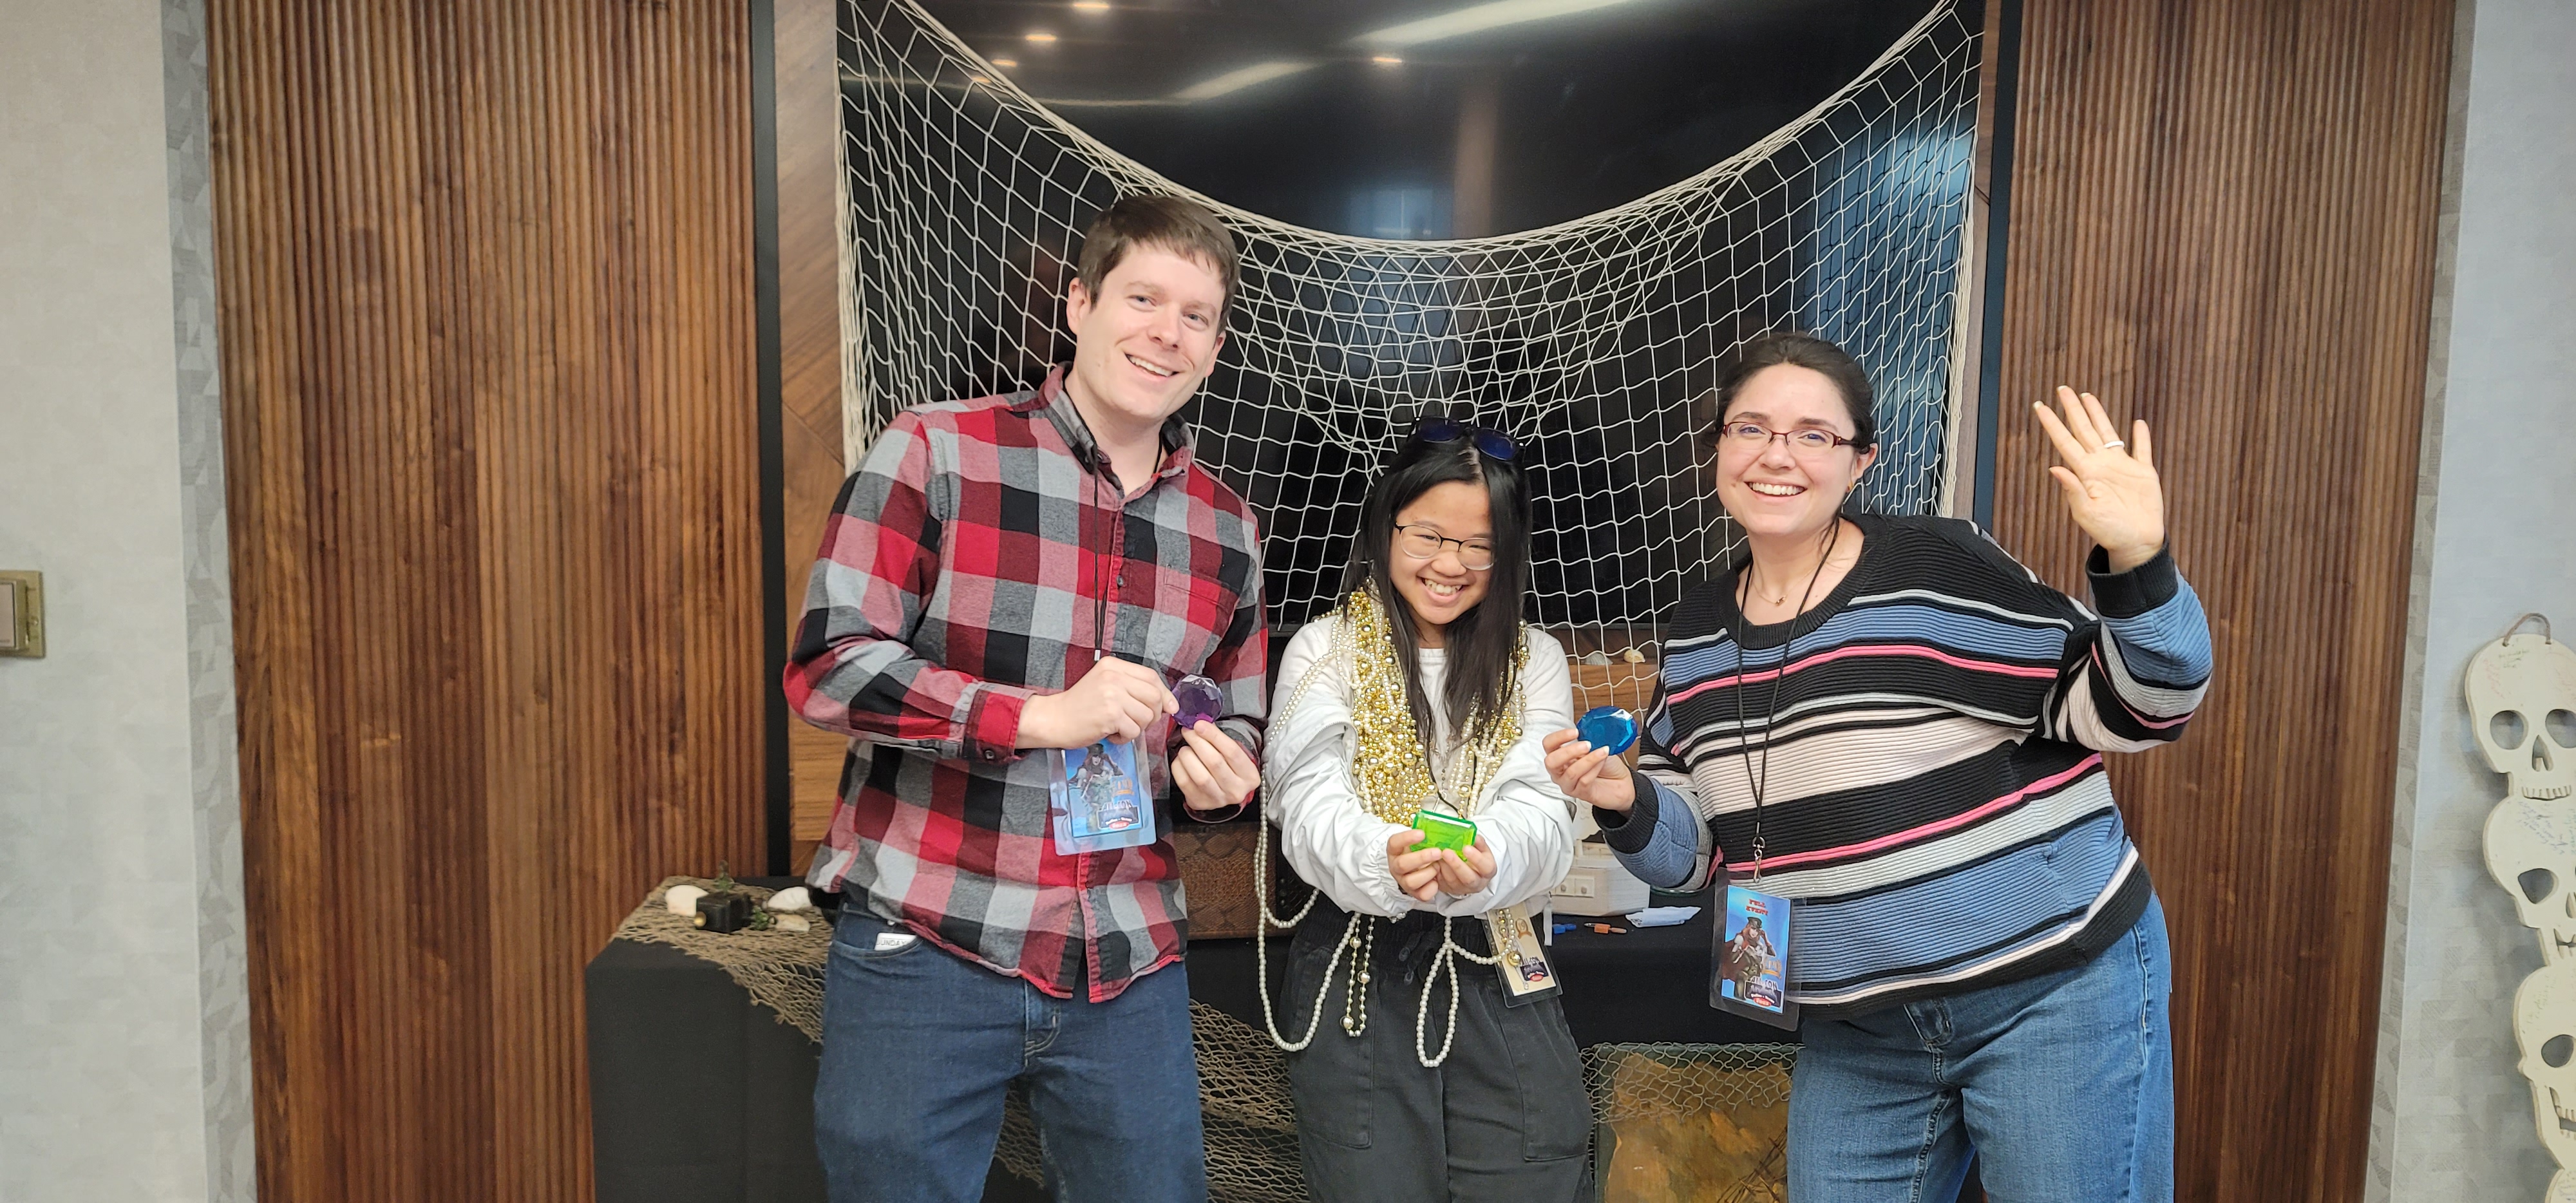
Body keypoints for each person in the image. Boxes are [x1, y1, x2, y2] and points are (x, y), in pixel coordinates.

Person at [1544, 331, 2211, 1202]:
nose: (1777, 454)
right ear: (1717, 449)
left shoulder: (1931, 568)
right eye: (1751, 428)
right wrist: (1624, 798)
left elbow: (2144, 704)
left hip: (2047, 986)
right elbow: (1695, 854)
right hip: (1858, 1027)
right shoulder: (1698, 630)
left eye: (1813, 434)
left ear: (1860, 461)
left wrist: (2139, 564)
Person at [786, 195, 1267, 1203]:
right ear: (1080, 303)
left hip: (1127, 955)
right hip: (927, 934)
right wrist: (1035, 717)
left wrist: (1223, 770)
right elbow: (828, 666)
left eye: (1195, 316)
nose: (1167, 333)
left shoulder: (1228, 526)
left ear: (1216, 350)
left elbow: (1231, 710)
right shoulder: (937, 450)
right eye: (1143, 299)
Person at [1258, 420, 1593, 1202]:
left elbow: (1541, 805)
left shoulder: (1534, 657)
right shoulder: (1323, 648)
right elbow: (1305, 798)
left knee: (1531, 1168)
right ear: (1387, 524)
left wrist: (1487, 860)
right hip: (1357, 958)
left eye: (1480, 545)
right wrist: (1384, 858)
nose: (1450, 564)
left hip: (1496, 951)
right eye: (1429, 536)